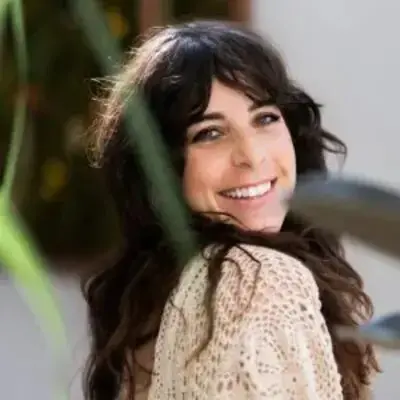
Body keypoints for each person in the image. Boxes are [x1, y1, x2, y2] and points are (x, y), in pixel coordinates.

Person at [83, 20, 379, 399]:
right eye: (210, 133)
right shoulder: (256, 279)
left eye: (265, 118)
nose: (252, 157)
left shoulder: (157, 293)